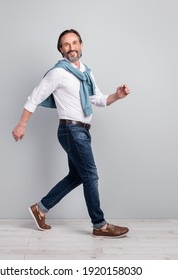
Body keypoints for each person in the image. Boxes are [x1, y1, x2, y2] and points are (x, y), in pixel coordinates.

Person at [12, 29, 131, 237]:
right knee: (90, 175)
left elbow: (97, 99)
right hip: (71, 129)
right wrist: (22, 124)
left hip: (82, 131)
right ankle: (99, 224)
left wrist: (117, 96)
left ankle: (40, 208)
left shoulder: (86, 73)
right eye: (66, 45)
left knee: (77, 175)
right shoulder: (58, 73)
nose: (71, 47)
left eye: (74, 43)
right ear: (61, 50)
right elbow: (34, 97)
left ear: (81, 45)